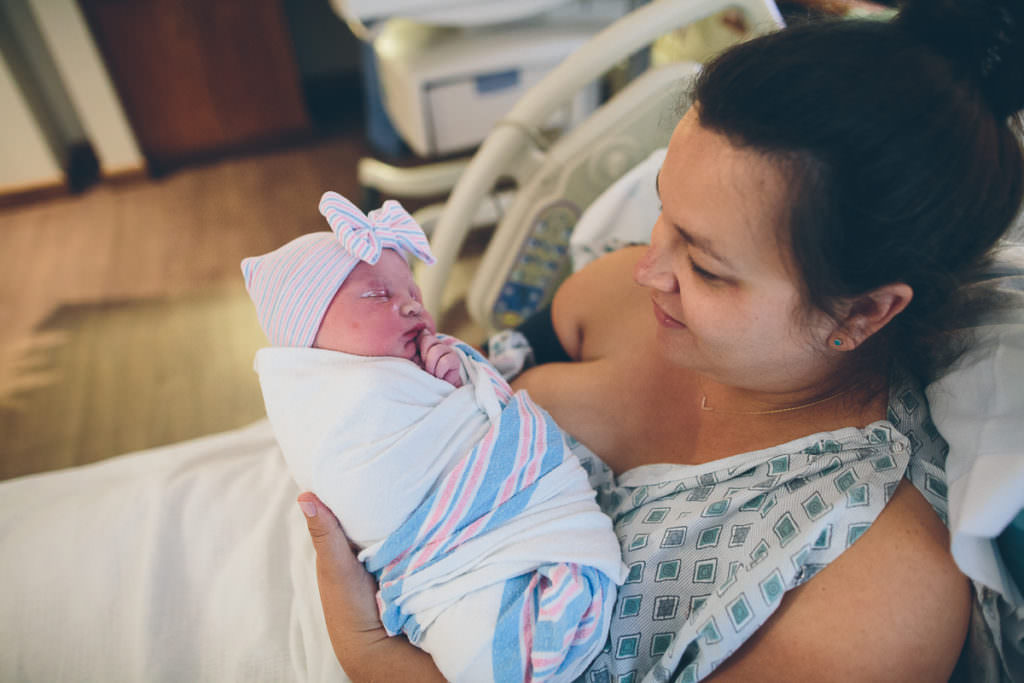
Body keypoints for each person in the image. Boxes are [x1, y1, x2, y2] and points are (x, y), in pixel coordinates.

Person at [297, 0, 1024, 680]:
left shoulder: (876, 589)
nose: (648, 269)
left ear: (861, 312)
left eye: (706, 266)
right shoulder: (620, 296)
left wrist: (371, 656)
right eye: (664, 212)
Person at [242, 192, 626, 683]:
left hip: (508, 530)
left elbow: (472, 418)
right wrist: (453, 388)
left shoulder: (413, 367)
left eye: (413, 294)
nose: (410, 307)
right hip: (436, 558)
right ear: (308, 341)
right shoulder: (334, 404)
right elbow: (372, 487)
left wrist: (461, 383)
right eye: (378, 295)